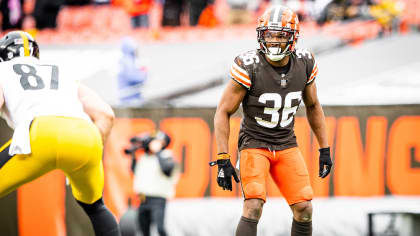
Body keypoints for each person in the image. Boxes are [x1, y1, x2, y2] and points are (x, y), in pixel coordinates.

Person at [211, 6, 333, 236]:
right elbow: (222, 111)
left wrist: (324, 149)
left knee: (305, 208)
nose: (274, 41)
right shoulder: (249, 65)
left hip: (286, 143)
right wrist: (222, 157)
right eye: (269, 35)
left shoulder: (304, 62)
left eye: (280, 35)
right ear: (260, 36)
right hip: (254, 144)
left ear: (294, 37)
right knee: (253, 205)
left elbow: (314, 105)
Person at [0, 31, 121, 236]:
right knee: (95, 206)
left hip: (41, 133)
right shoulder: (61, 71)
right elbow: (105, 114)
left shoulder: (3, 69)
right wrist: (91, 155)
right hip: (86, 135)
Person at [125, 131, 179, 236]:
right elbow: (134, 171)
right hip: (142, 198)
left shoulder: (167, 155)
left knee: (160, 228)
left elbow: (167, 170)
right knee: (143, 229)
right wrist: (133, 155)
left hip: (158, 199)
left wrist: (157, 151)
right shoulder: (145, 157)